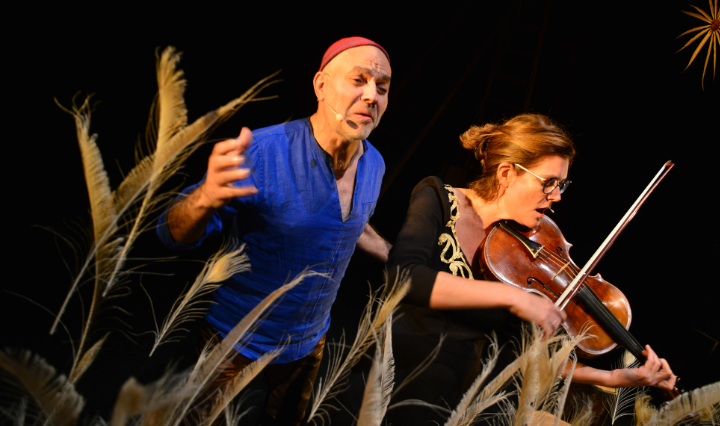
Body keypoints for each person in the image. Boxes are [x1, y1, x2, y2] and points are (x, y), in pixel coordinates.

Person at [156, 36, 393, 425]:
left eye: (381, 88)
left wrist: (394, 253)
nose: (371, 96)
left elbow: (348, 220)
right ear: (320, 85)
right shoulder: (262, 153)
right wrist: (204, 198)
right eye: (359, 80)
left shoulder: (375, 164)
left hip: (308, 341)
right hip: (234, 339)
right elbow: (170, 234)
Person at [382, 113, 676, 425]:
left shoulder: (528, 251)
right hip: (400, 384)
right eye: (548, 183)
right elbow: (405, 276)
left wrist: (616, 376)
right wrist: (512, 298)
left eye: (562, 184)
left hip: (472, 407)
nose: (558, 196)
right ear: (506, 172)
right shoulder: (439, 197)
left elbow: (533, 355)